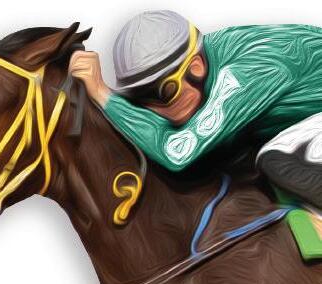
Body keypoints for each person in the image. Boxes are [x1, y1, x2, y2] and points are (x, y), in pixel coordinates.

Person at [68, 12, 322, 214]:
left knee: (277, 157)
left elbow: (177, 152)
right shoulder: (212, 66)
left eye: (164, 92)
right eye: (142, 98)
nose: (158, 111)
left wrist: (103, 95)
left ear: (196, 67)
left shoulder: (245, 73)